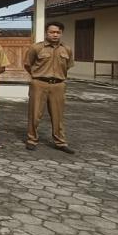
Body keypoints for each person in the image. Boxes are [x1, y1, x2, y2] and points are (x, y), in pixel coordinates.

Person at [24, 21, 75, 154]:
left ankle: (60, 142)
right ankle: (32, 139)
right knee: (35, 113)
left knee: (58, 115)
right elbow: (28, 65)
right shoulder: (36, 48)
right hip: (39, 84)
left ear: (61, 33)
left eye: (58, 32)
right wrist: (38, 76)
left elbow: (68, 66)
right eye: (52, 32)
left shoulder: (67, 49)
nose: (55, 35)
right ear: (46, 33)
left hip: (58, 85)